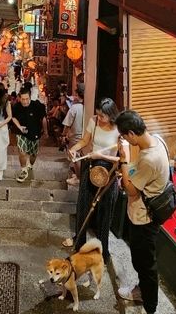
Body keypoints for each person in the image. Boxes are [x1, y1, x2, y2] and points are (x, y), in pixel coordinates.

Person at [116, 110, 169, 314]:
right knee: (142, 261)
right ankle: (142, 292)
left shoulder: (149, 159)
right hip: (144, 214)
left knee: (145, 264)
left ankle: (150, 306)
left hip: (143, 219)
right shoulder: (157, 140)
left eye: (124, 135)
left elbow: (130, 189)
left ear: (131, 134)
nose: (125, 140)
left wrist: (124, 160)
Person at [62, 98, 120, 262]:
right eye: (98, 115)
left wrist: (101, 155)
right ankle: (79, 243)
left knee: (104, 212)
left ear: (111, 115)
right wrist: (73, 149)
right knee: (83, 206)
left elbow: (120, 159)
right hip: (91, 166)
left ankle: (102, 251)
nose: (99, 118)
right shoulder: (93, 121)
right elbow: (85, 141)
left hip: (108, 171)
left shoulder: (119, 129)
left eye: (103, 116)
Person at [11, 83, 47, 183]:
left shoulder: (37, 105)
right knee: (22, 151)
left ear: (30, 97)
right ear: (19, 98)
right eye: (23, 99)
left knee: (33, 154)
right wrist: (19, 127)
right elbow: (13, 117)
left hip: (35, 133)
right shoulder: (17, 106)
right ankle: (23, 170)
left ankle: (30, 165)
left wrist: (46, 132)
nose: (25, 101)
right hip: (21, 133)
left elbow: (43, 118)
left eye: (27, 99)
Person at [61, 84, 85, 183]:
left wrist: (63, 135)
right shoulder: (88, 106)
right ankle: (78, 175)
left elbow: (67, 124)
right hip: (86, 136)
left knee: (76, 157)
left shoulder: (75, 108)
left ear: (77, 94)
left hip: (76, 136)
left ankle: (78, 178)